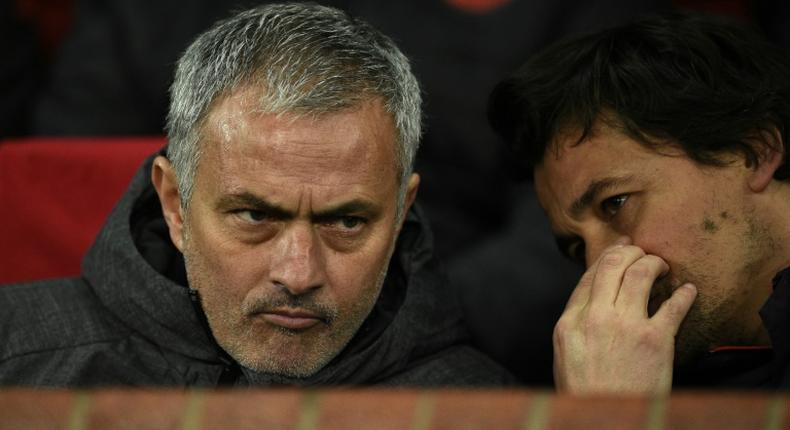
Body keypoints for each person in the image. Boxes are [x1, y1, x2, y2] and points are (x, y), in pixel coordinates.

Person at [0, 3, 513, 387]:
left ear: (401, 215)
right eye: (253, 215)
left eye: (347, 223)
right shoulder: (15, 356)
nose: (298, 274)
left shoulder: (482, 409)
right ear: (175, 205)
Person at [489, 12, 790, 394]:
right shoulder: (649, 368)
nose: (599, 266)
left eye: (615, 203)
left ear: (756, 150)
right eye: (576, 247)